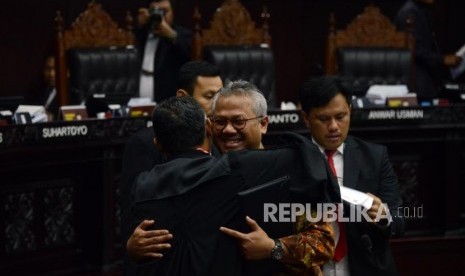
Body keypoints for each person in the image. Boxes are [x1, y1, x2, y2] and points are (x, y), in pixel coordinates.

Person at [127, 80, 339, 275]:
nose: (228, 130)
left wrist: (273, 248)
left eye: (238, 121)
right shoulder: (202, 176)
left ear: (263, 123)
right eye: (220, 121)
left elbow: (324, 243)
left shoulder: (292, 172)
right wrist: (135, 247)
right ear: (209, 127)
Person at [298, 75, 405, 275]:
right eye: (323, 119)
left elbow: (399, 220)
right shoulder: (292, 158)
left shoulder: (374, 156)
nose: (333, 127)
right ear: (306, 118)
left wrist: (384, 217)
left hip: (365, 266)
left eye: (341, 116)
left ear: (350, 111)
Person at [395, 0, 462, 100]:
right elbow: (414, 50)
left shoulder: (423, 10)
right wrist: (443, 59)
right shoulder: (409, 13)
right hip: (416, 83)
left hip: (429, 79)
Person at [135, 0, 192, 103]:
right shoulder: (141, 34)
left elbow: (191, 55)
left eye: (164, 11)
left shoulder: (181, 35)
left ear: (173, 13)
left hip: (169, 102)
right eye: (154, 11)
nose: (158, 15)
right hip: (138, 103)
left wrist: (171, 35)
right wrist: (139, 25)